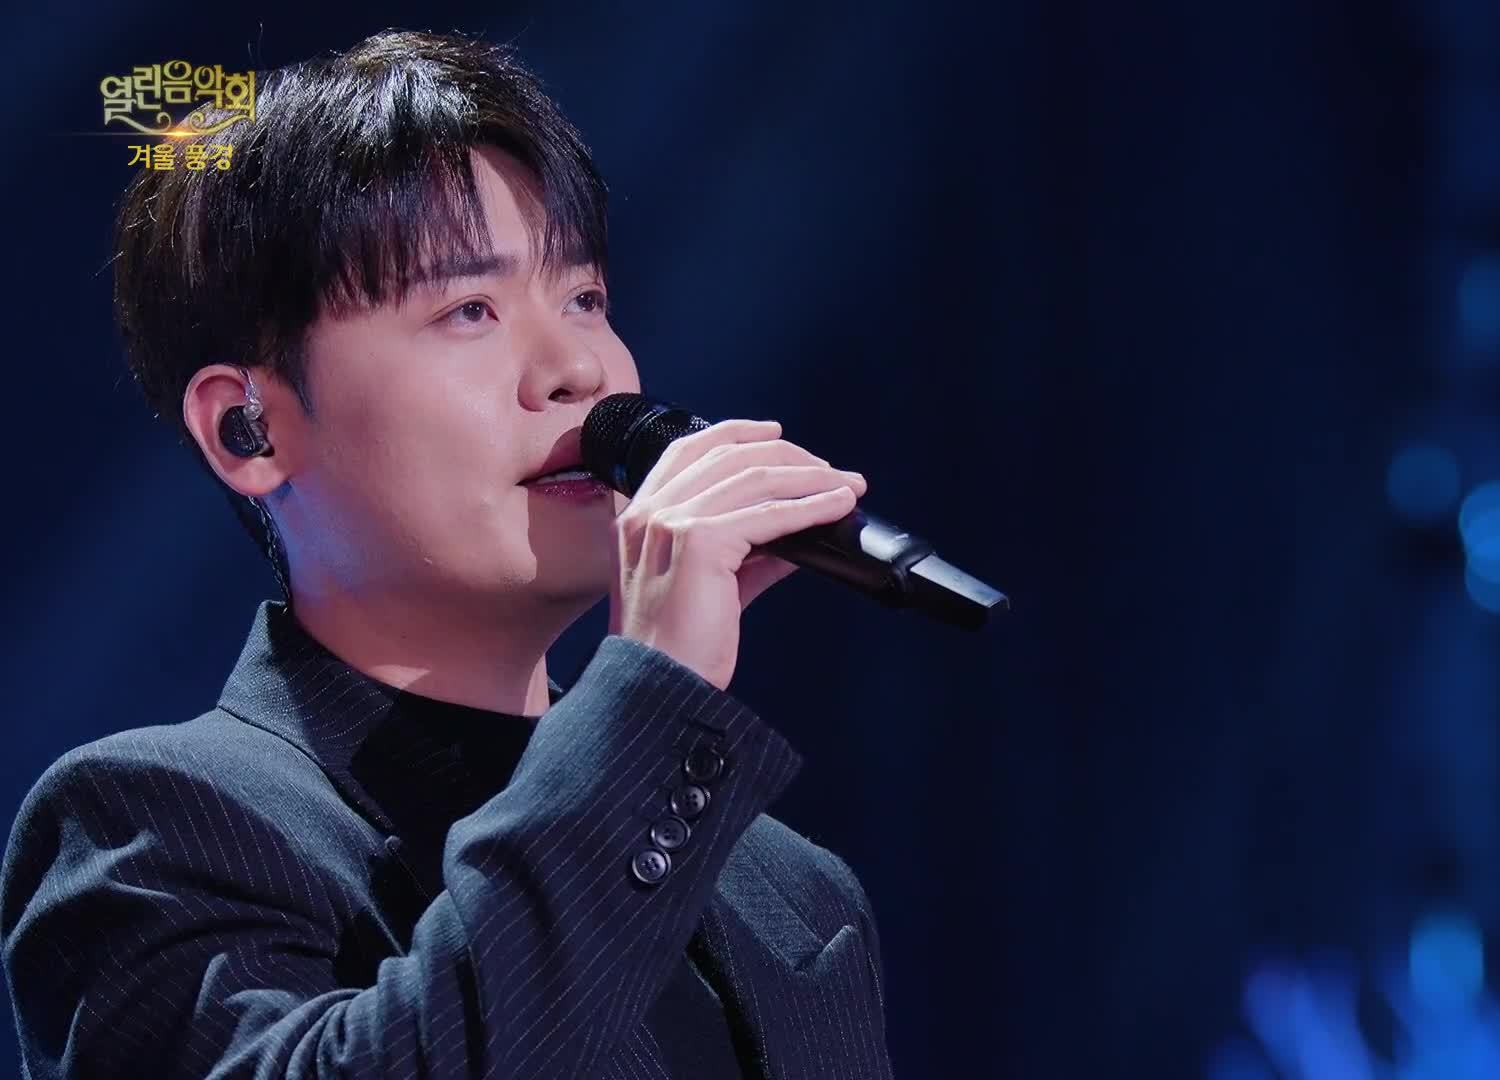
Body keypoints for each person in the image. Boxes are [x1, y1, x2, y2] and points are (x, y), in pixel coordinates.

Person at [0, 28, 893, 1079]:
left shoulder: (789, 890)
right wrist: (657, 693)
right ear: (250, 429)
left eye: (585, 299)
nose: (577, 369)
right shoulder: (154, 826)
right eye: (469, 309)